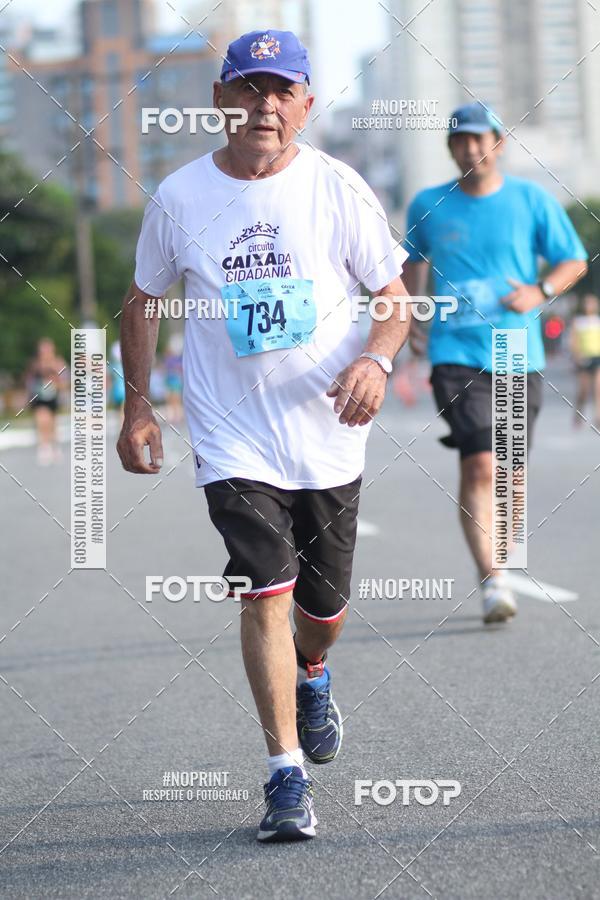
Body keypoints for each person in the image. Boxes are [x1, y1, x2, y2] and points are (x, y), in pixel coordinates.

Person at [117, 29, 410, 842]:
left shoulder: (339, 189)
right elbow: (141, 303)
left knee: (323, 607)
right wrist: (138, 406)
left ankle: (315, 670)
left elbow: (392, 296)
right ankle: (284, 776)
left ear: (308, 105)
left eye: (282, 92)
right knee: (264, 586)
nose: (264, 107)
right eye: (249, 89)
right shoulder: (179, 197)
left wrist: (378, 364)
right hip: (231, 433)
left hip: (328, 431)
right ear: (219, 99)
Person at [403, 102, 588, 624]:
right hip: (454, 351)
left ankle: (503, 563)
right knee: (480, 462)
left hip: (514, 349)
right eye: (459, 140)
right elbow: (413, 264)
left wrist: (541, 290)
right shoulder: (428, 203)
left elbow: (573, 258)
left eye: (478, 138)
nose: (469, 148)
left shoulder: (531, 200)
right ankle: (493, 578)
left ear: (498, 143)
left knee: (509, 472)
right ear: (450, 148)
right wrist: (413, 319)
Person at [26, 337, 68, 465]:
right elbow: (29, 381)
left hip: (53, 396)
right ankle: (44, 447)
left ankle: (54, 446)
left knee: (52, 422)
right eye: (42, 350)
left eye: (47, 350)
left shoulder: (58, 363)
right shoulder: (35, 364)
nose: (45, 353)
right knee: (41, 420)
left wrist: (56, 381)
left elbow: (65, 381)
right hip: (39, 397)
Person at [569, 293, 600, 429]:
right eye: (587, 303)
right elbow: (573, 340)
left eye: (592, 303)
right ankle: (578, 414)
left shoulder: (598, 321)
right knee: (584, 391)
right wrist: (576, 356)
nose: (589, 306)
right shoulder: (578, 321)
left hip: (597, 357)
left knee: (598, 389)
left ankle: (598, 417)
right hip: (583, 358)